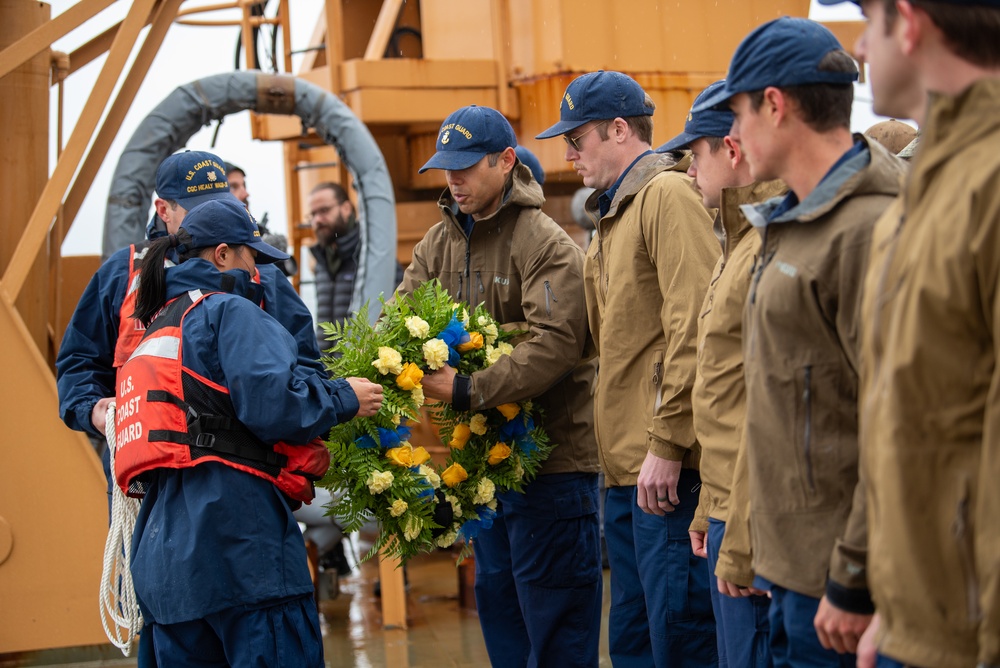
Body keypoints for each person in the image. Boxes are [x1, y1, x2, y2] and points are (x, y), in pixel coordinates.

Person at [693, 17, 907, 666]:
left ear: (776, 105)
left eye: (737, 113)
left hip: (843, 590)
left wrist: (855, 573)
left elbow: (896, 420)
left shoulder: (868, 228)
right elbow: (778, 401)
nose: (731, 136)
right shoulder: (792, 223)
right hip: (793, 574)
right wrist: (751, 545)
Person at [115, 195, 382, 666]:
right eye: (252, 258)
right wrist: (345, 397)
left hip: (165, 560)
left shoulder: (155, 329)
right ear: (222, 255)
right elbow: (275, 404)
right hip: (240, 546)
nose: (259, 273)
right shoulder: (230, 312)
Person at [817, 1, 1000, 667]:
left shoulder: (987, 183)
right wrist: (891, 603)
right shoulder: (929, 189)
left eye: (870, 21)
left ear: (912, 21)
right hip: (922, 621)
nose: (861, 46)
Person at [403, 104, 602, 668]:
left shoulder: (545, 242)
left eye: (466, 165)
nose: (453, 179)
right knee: (500, 608)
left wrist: (466, 386)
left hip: (551, 466)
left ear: (507, 160)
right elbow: (400, 318)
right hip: (485, 470)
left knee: (556, 620)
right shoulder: (438, 244)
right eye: (446, 167)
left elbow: (557, 344)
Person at [536, 71, 720, 667]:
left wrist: (668, 441)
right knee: (636, 643)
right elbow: (607, 341)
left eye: (577, 137)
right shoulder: (611, 216)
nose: (568, 152)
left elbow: (696, 325)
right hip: (624, 471)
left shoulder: (667, 197)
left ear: (619, 130)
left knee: (678, 641)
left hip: (665, 472)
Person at [57, 150, 322, 468]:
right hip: (146, 474)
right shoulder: (121, 274)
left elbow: (306, 365)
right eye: (200, 209)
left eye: (224, 206)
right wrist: (94, 409)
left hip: (243, 469)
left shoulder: (262, 275)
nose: (213, 216)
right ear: (163, 209)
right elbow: (79, 363)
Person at [658, 79, 785, 668]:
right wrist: (711, 506)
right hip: (732, 514)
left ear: (730, 151)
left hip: (759, 529)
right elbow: (724, 397)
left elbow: (774, 409)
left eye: (695, 154)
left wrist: (741, 524)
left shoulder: (769, 246)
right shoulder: (737, 244)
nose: (688, 172)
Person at [308, 181, 404, 351]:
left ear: (346, 208)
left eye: (324, 211)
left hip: (363, 371)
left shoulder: (372, 256)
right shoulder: (322, 261)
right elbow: (323, 326)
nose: (317, 220)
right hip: (328, 373)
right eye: (312, 214)